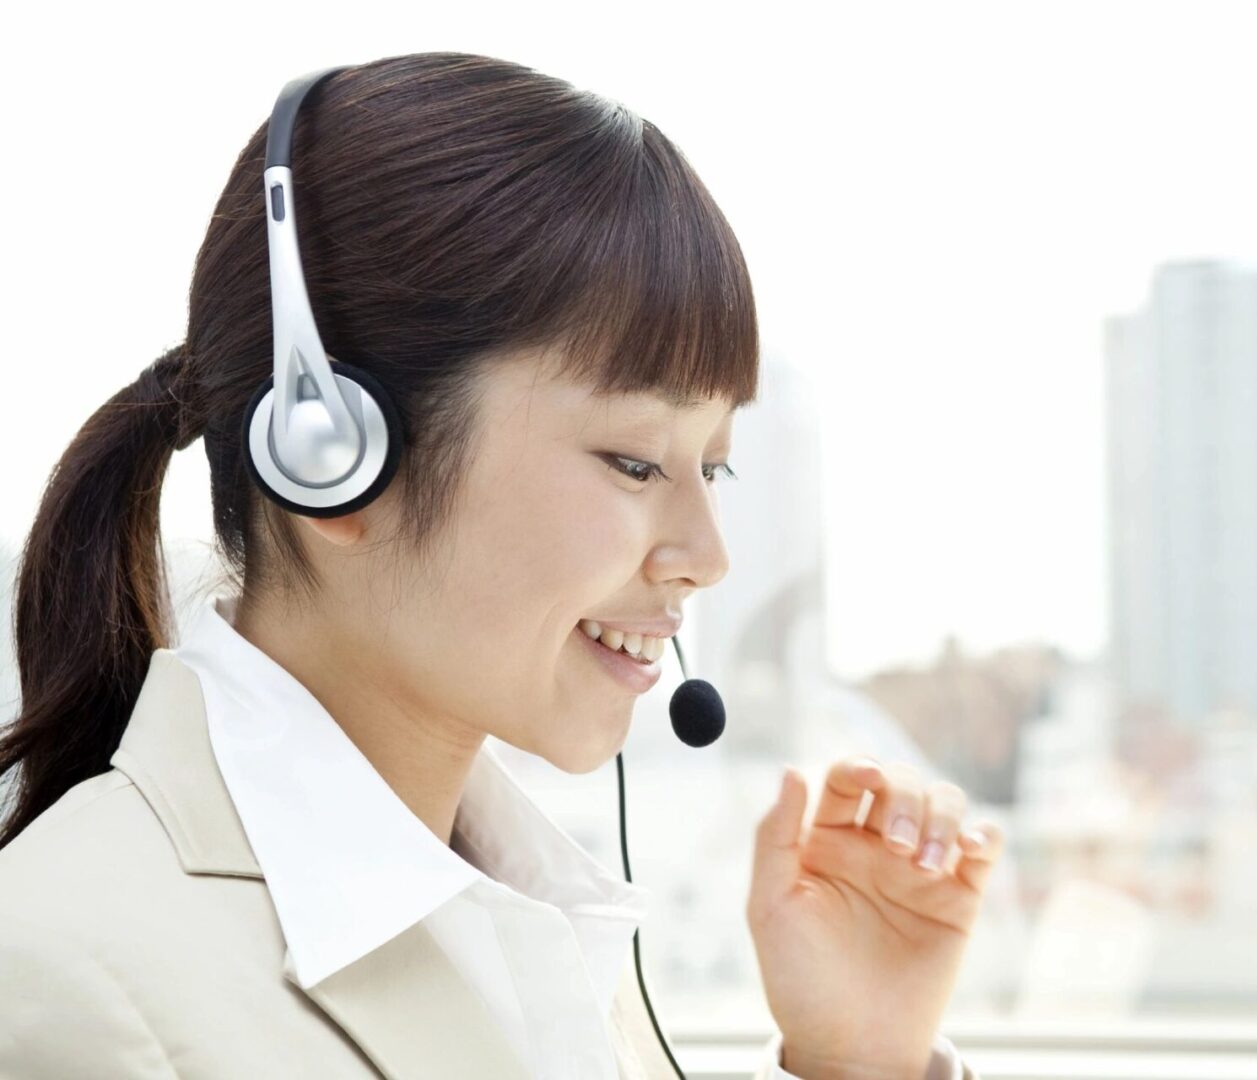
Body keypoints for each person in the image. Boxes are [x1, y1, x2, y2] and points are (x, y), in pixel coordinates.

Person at [0, 51, 1002, 1079]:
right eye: (635, 461)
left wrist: (856, 1062)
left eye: (715, 469)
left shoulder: (531, 921)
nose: (708, 558)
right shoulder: (66, 979)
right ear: (334, 460)